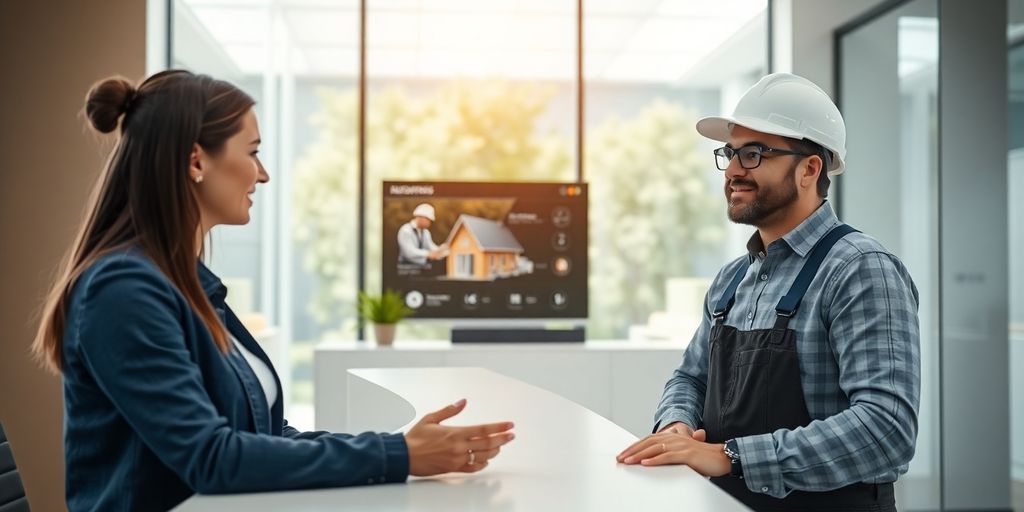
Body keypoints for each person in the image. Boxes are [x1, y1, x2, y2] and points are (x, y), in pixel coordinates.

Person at [31, 70, 515, 511]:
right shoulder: (123, 290)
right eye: (253, 152)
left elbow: (264, 436)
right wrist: (396, 454)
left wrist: (400, 448)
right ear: (196, 159)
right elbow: (212, 459)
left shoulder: (185, 284)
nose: (262, 174)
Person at [616, 73, 920, 512]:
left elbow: (886, 430)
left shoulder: (860, 269)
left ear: (809, 169)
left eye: (754, 153)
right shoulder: (731, 280)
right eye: (731, 153)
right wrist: (677, 425)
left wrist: (731, 457)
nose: (733, 170)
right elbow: (690, 379)